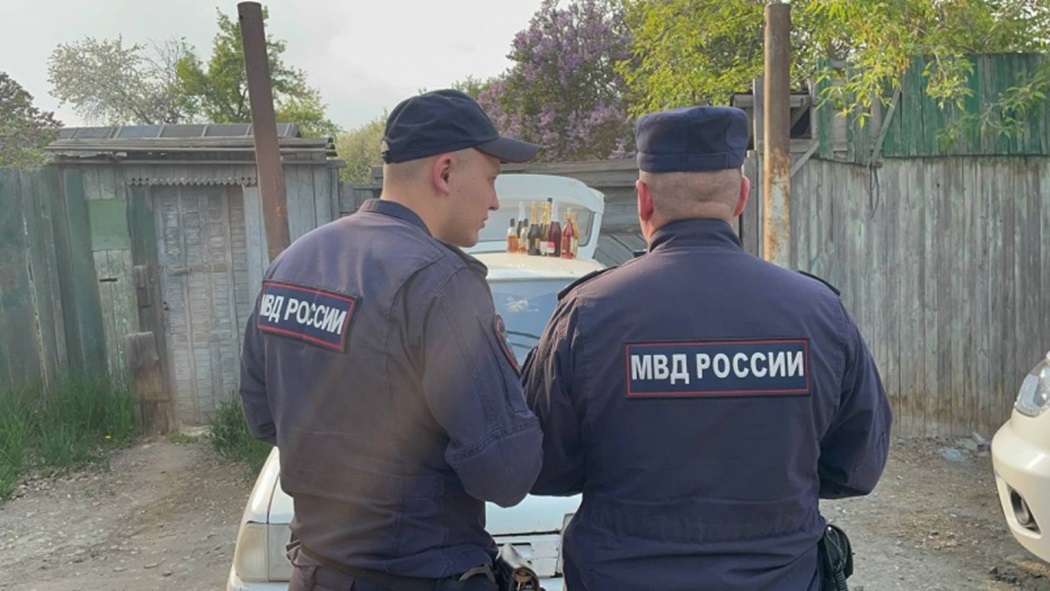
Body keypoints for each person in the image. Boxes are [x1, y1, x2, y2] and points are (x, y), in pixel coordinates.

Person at [521, 105, 893, 590]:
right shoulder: (818, 313)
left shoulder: (586, 315)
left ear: (642, 200)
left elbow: (542, 467)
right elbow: (857, 468)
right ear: (742, 196)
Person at [239, 89, 545, 591]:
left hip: (317, 572)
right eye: (492, 179)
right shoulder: (440, 281)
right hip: (420, 574)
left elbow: (263, 415)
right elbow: (506, 472)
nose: (494, 201)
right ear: (445, 173)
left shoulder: (294, 262)